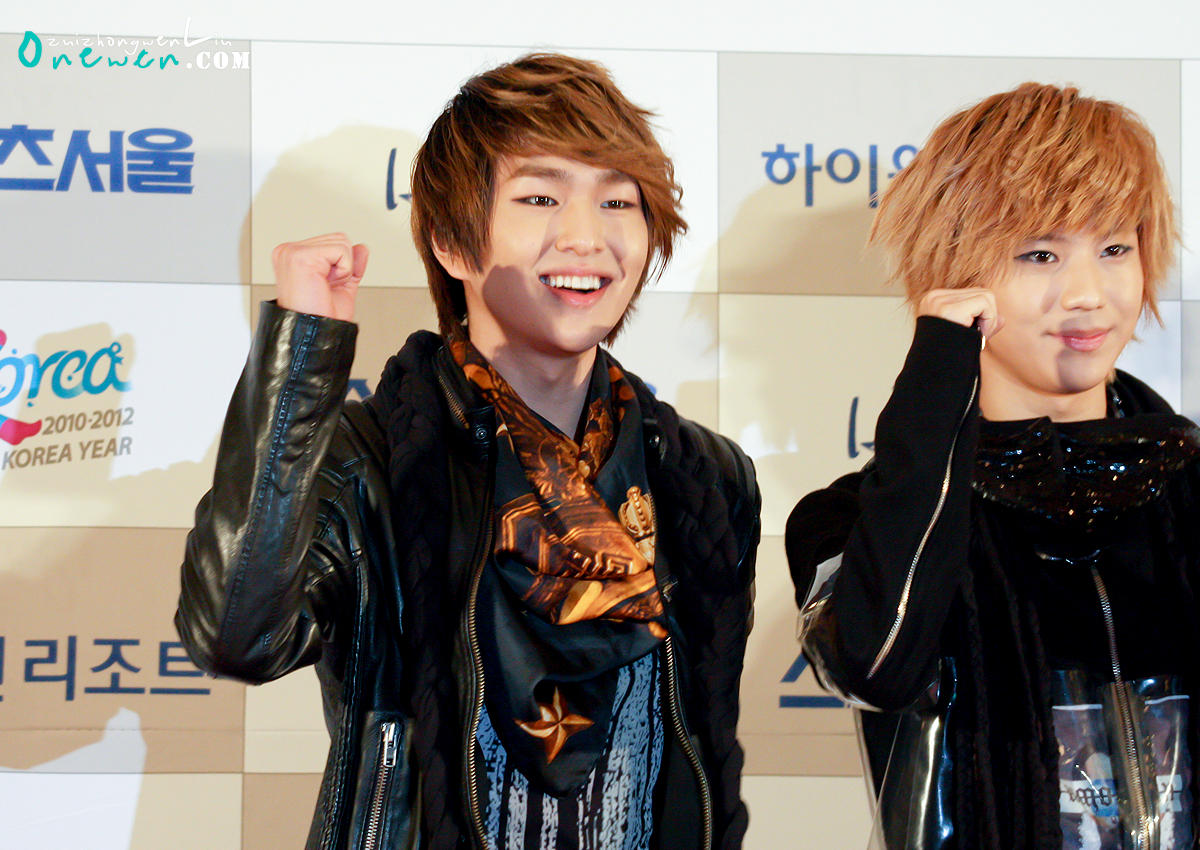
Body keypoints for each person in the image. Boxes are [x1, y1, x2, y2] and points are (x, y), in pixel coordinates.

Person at [177, 53, 759, 850]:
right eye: (540, 197)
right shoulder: (371, 460)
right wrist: (302, 351)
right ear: (452, 242)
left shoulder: (702, 477)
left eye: (617, 200)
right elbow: (236, 637)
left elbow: (700, 752)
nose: (586, 236)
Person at [786, 83, 1196, 850]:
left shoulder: (1185, 483)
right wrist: (937, 378)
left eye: (1115, 248)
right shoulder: (851, 518)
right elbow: (877, 666)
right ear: (955, 266)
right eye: (1040, 253)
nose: (1088, 294)